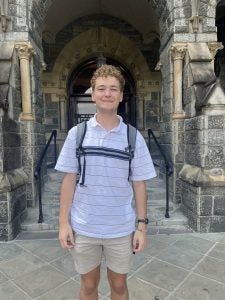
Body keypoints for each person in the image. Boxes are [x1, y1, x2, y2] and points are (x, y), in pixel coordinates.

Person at [55, 64, 156, 300]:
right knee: (89, 286)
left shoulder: (133, 137)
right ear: (92, 93)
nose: (107, 93)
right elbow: (69, 180)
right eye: (101, 88)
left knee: (119, 287)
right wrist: (63, 223)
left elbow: (139, 184)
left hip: (120, 229)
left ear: (121, 95)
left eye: (113, 89)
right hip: (84, 227)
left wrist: (142, 227)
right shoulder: (77, 134)